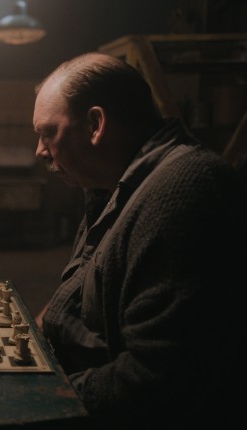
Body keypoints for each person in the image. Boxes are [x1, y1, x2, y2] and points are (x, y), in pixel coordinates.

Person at [32, 52, 247, 429]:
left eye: (48, 132)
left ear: (95, 124)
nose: (40, 151)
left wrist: (45, 395)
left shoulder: (184, 193)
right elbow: (81, 289)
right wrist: (37, 329)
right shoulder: (111, 186)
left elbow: (156, 383)